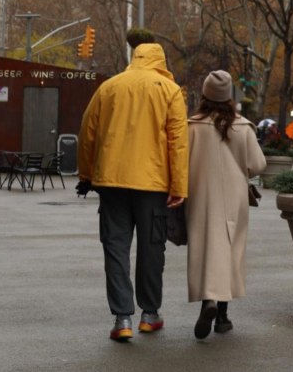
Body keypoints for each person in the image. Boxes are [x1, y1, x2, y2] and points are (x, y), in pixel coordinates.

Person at [77, 42, 188, 342]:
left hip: (111, 183)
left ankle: (122, 318)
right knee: (152, 248)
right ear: (161, 61)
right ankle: (149, 314)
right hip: (153, 185)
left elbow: (87, 132)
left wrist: (86, 175)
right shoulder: (169, 90)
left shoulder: (109, 87)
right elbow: (177, 142)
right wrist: (179, 186)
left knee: (115, 248)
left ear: (134, 59)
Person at [186, 70, 267, 340]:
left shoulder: (192, 126)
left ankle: (207, 299)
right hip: (234, 198)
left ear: (205, 95)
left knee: (206, 248)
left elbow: (179, 161)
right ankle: (222, 315)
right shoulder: (243, 127)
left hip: (200, 195)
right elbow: (258, 165)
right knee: (230, 250)